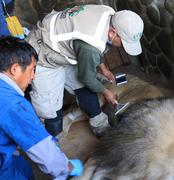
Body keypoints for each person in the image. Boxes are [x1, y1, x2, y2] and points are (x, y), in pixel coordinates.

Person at [26, 4, 144, 137]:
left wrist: (103, 69)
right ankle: (52, 141)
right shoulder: (91, 45)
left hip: (64, 47)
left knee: (84, 88)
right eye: (123, 42)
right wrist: (106, 92)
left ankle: (99, 123)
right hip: (44, 54)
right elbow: (87, 76)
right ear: (112, 32)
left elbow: (94, 48)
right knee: (49, 111)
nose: (122, 47)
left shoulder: (109, 13)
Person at [0, 36, 83, 179]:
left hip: (8, 156)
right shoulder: (14, 105)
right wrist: (67, 167)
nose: (33, 77)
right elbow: (45, 153)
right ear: (15, 69)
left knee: (21, 165)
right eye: (32, 69)